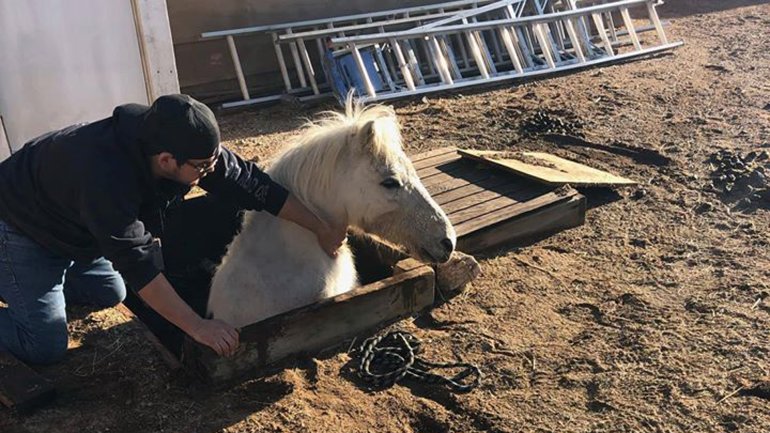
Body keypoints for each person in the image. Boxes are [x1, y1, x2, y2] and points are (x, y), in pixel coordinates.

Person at [0, 94, 347, 364]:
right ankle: (18, 278)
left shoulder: (182, 146)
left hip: (72, 231)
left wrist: (320, 227)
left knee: (111, 293)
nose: (209, 172)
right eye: (202, 167)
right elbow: (136, 261)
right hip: (20, 228)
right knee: (44, 345)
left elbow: (253, 184)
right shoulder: (105, 178)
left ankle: (28, 285)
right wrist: (198, 326)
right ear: (167, 160)